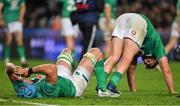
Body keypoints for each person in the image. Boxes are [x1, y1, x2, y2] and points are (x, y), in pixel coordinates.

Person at [99, 13, 176, 97]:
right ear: (156, 60)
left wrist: (133, 91)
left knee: (115, 56)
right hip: (138, 21)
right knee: (127, 57)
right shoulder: (158, 46)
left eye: (146, 64)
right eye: (151, 64)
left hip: (122, 18)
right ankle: (111, 86)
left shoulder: (139, 51)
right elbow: (166, 70)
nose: (147, 63)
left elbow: (131, 69)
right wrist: (172, 91)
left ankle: (100, 87)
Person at [6, 48, 110, 98]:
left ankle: (76, 68)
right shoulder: (46, 90)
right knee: (96, 52)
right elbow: (51, 68)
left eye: (22, 81)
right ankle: (102, 90)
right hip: (73, 85)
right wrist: (28, 71)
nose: (23, 80)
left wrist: (14, 69)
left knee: (67, 51)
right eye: (25, 81)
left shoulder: (22, 89)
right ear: (31, 87)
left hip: (59, 77)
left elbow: (8, 68)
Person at [0, 0, 28, 67]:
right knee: (8, 40)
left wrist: (21, 17)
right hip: (7, 20)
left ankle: (23, 60)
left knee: (19, 40)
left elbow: (23, 7)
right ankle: (6, 59)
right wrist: (1, 19)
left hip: (17, 20)